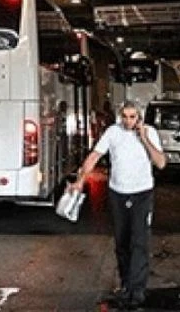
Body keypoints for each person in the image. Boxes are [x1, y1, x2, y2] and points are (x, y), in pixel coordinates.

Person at [70, 100, 166, 309]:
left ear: (139, 118)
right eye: (125, 116)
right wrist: (80, 180)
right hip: (118, 194)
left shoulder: (150, 132)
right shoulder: (112, 133)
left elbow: (161, 162)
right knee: (122, 242)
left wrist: (145, 139)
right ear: (119, 116)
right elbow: (94, 155)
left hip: (142, 194)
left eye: (133, 117)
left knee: (139, 242)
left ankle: (137, 290)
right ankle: (126, 285)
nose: (129, 121)